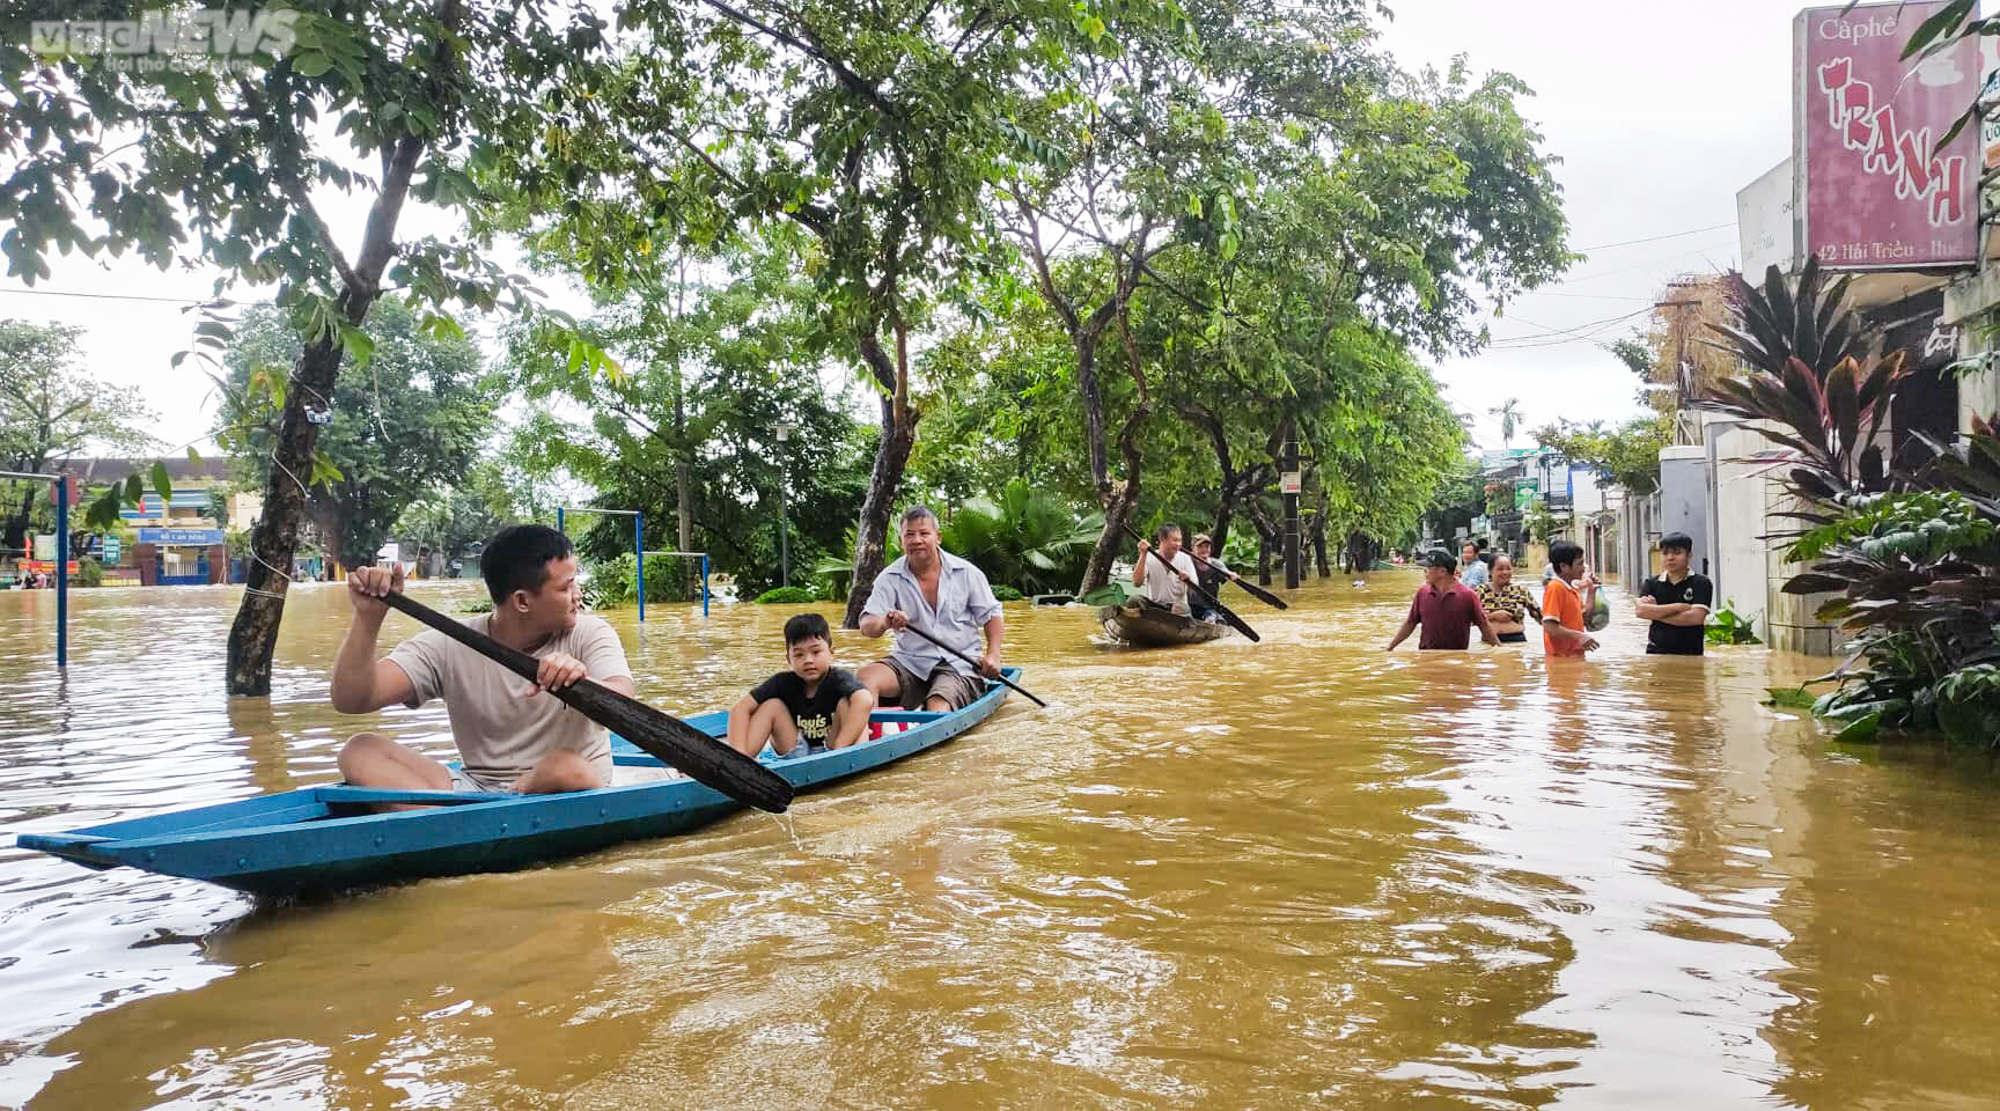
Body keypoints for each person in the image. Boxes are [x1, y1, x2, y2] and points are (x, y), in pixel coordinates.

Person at [332, 524, 634, 798]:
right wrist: (368, 618)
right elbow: (352, 700)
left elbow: (625, 702)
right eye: (566, 587)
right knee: (359, 751)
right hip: (479, 791)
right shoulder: (449, 642)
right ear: (522, 601)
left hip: (574, 784)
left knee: (567, 767)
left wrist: (581, 682)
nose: (578, 595)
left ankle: (442, 822)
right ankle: (451, 822)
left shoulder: (589, 633)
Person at [858, 506, 1005, 712]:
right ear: (901, 540)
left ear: (938, 538)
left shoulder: (967, 573)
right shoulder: (889, 578)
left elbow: (992, 615)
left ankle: (931, 717)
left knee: (937, 705)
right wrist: (885, 621)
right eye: (909, 534)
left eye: (924, 533)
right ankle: (868, 729)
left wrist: (993, 655)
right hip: (910, 662)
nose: (916, 540)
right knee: (864, 679)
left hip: (959, 664)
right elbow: (867, 625)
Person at [726, 612, 877, 757]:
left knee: (850, 704)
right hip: (797, 750)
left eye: (816, 652)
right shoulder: (782, 682)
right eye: (799, 654)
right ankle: (739, 762)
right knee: (771, 706)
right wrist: (738, 755)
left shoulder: (839, 678)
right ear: (788, 659)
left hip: (834, 747)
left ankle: (852, 758)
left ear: (831, 652)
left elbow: (865, 700)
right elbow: (739, 709)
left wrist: (839, 748)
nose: (808, 660)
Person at [1385, 549, 1500, 651]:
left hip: (1456, 659)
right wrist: (1390, 647)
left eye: (1429, 568)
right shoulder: (1422, 593)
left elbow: (1484, 625)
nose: (1425, 571)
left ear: (1442, 572)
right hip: (1426, 658)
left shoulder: (1468, 595)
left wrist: (1499, 650)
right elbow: (1410, 623)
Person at [1635, 532, 1713, 655]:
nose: (1670, 558)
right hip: (1656, 653)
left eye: (1677, 553)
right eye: (1665, 553)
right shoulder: (1651, 583)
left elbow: (1696, 618)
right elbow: (1641, 611)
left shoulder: (1701, 583)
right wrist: (1679, 607)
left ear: (1689, 555)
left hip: (1691, 655)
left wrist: (1655, 612)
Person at [1541, 539, 1601, 658]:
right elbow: (1550, 627)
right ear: (1564, 566)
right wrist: (1579, 636)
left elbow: (1584, 619)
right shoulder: (1555, 588)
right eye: (1580, 564)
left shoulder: (1572, 588)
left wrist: (1591, 592)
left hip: (1574, 656)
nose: (1584, 568)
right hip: (1560, 659)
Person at [1132, 523, 1201, 615]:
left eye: (1180, 540)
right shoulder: (1149, 557)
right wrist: (1143, 554)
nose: (1178, 544)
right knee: (1134, 600)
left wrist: (1188, 579)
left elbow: (1195, 587)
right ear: (1162, 539)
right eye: (1174, 540)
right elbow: (1136, 583)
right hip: (1155, 605)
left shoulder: (1185, 558)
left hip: (1178, 607)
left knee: (1182, 608)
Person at [1474, 553, 1542, 644]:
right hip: (1489, 642)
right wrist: (1493, 616)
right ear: (1490, 571)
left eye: (1508, 569)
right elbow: (1469, 620)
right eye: (1500, 569)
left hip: (1517, 641)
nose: (1505, 572)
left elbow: (1539, 615)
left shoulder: (1520, 590)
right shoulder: (1480, 591)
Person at [1187, 533, 1241, 622]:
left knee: (1210, 619)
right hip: (1190, 606)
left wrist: (1232, 575)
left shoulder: (1216, 564)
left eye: (1207, 546)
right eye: (1200, 547)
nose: (1204, 550)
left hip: (1210, 607)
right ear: (1193, 548)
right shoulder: (1186, 562)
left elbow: (1227, 573)